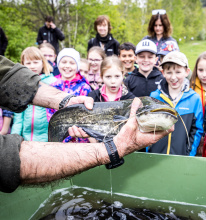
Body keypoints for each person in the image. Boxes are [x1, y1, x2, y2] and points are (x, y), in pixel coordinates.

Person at [0, 55, 173, 193]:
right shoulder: (94, 94)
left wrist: (64, 100)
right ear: (101, 77)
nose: (113, 80)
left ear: (124, 76)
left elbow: (5, 74)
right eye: (108, 76)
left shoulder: (130, 98)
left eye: (117, 76)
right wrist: (108, 148)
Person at [148, 51, 203, 156]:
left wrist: (189, 155)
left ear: (187, 72)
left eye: (178, 72)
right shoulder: (154, 97)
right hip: (155, 157)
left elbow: (196, 131)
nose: (173, 77)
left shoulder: (194, 99)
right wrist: (149, 150)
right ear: (163, 72)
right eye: (169, 73)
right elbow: (148, 128)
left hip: (181, 158)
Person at [11, 47, 57, 142]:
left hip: (48, 139)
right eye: (28, 63)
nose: (32, 66)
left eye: (35, 62)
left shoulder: (53, 82)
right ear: (22, 65)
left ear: (42, 62)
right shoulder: (21, 84)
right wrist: (14, 138)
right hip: (26, 139)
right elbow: (18, 118)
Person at [46, 48, 91, 143]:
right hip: (58, 137)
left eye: (72, 63)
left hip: (80, 138)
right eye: (64, 62)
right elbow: (49, 113)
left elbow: (85, 115)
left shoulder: (84, 87)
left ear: (77, 65)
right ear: (58, 64)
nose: (67, 66)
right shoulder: (52, 86)